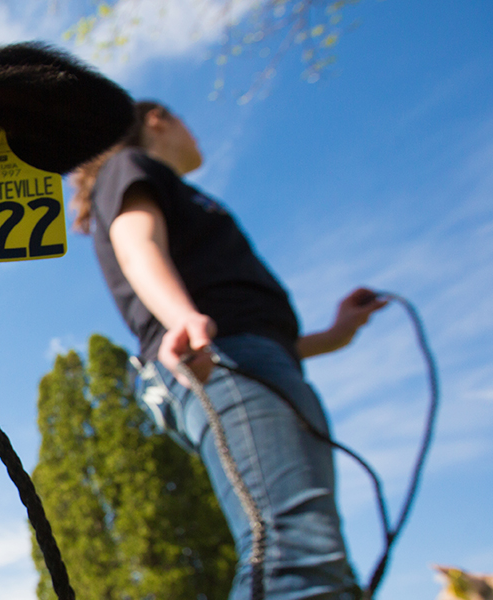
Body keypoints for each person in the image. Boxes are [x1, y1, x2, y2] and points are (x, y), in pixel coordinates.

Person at [70, 100, 387, 600]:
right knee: (295, 550)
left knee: (320, 560)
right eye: (185, 121)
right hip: (218, 362)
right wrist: (184, 320)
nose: (195, 135)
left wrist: (336, 335)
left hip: (249, 358)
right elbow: (136, 244)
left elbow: (251, 330)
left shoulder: (164, 184)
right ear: (157, 119)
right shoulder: (130, 167)